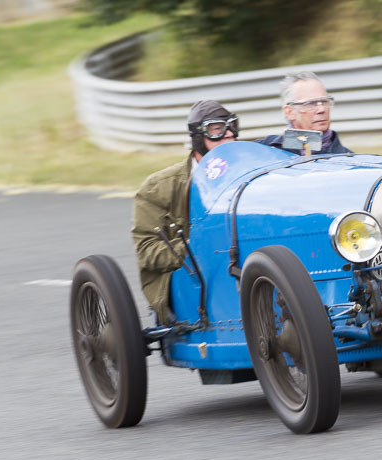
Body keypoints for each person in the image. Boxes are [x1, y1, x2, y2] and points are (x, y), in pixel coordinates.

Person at [131, 100, 238, 322]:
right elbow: (147, 250)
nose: (228, 134)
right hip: (191, 285)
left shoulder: (250, 175)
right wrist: (197, 246)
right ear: (199, 136)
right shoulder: (158, 188)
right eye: (217, 129)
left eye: (232, 126)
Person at [256, 71, 351, 155]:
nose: (321, 109)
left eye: (325, 101)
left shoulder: (348, 159)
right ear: (290, 112)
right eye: (310, 104)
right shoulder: (265, 150)